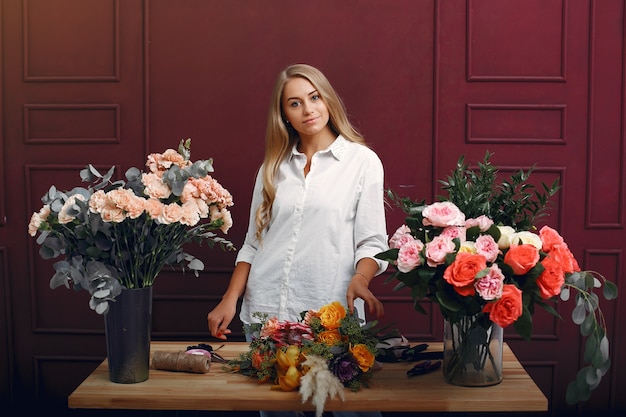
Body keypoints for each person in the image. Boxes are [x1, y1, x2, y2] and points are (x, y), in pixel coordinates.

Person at [207, 63, 388, 417]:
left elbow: (372, 242)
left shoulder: (362, 162)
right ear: (284, 115)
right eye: (295, 103)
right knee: (274, 410)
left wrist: (361, 278)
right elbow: (253, 243)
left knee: (348, 409)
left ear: (328, 100)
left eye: (314, 97)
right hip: (266, 312)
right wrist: (230, 298)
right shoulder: (272, 167)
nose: (308, 110)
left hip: (331, 312)